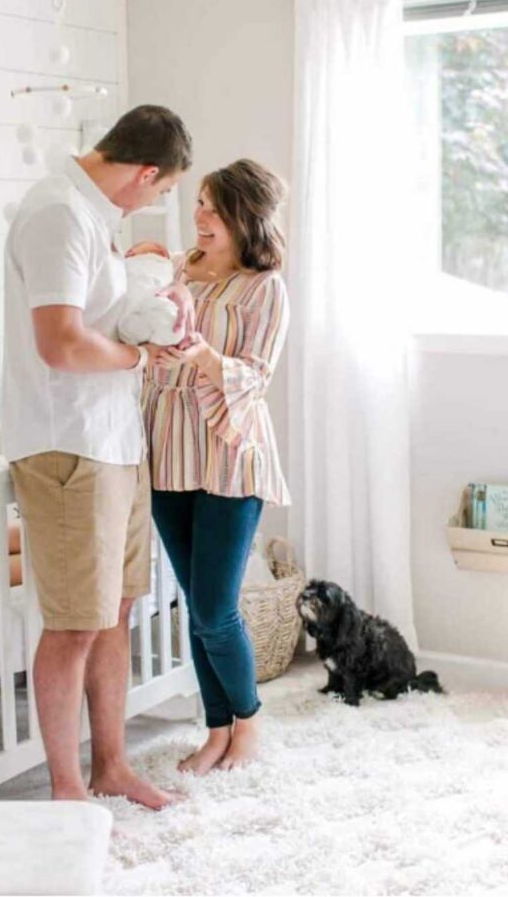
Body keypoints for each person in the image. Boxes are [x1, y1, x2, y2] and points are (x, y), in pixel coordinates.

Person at [0, 104, 192, 804]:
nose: (157, 202)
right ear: (145, 172)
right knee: (75, 621)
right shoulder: (58, 214)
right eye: (163, 191)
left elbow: (98, 319)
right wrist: (142, 355)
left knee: (114, 610)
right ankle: (66, 785)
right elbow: (61, 344)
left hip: (112, 439)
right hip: (68, 441)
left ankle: (111, 765)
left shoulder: (94, 218)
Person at [144, 158, 290, 775]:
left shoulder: (266, 287)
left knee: (215, 610)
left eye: (211, 207)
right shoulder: (175, 269)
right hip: (169, 450)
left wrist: (200, 354)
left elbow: (255, 376)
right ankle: (215, 728)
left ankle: (249, 723)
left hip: (231, 452)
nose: (198, 216)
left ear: (242, 217)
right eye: (198, 202)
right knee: (193, 602)